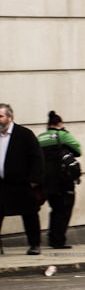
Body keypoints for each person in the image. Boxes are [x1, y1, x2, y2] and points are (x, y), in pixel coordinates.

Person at [0, 103, 44, 255]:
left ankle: (34, 245)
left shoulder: (24, 134)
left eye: (1, 116)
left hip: (22, 184)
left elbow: (37, 158)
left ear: (10, 117)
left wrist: (34, 181)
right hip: (1, 184)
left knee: (29, 214)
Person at [37, 110, 82, 249]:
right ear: (59, 124)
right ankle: (58, 240)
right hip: (63, 180)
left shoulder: (40, 137)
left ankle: (53, 238)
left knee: (55, 209)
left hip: (47, 181)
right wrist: (64, 132)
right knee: (64, 210)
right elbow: (78, 150)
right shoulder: (62, 135)